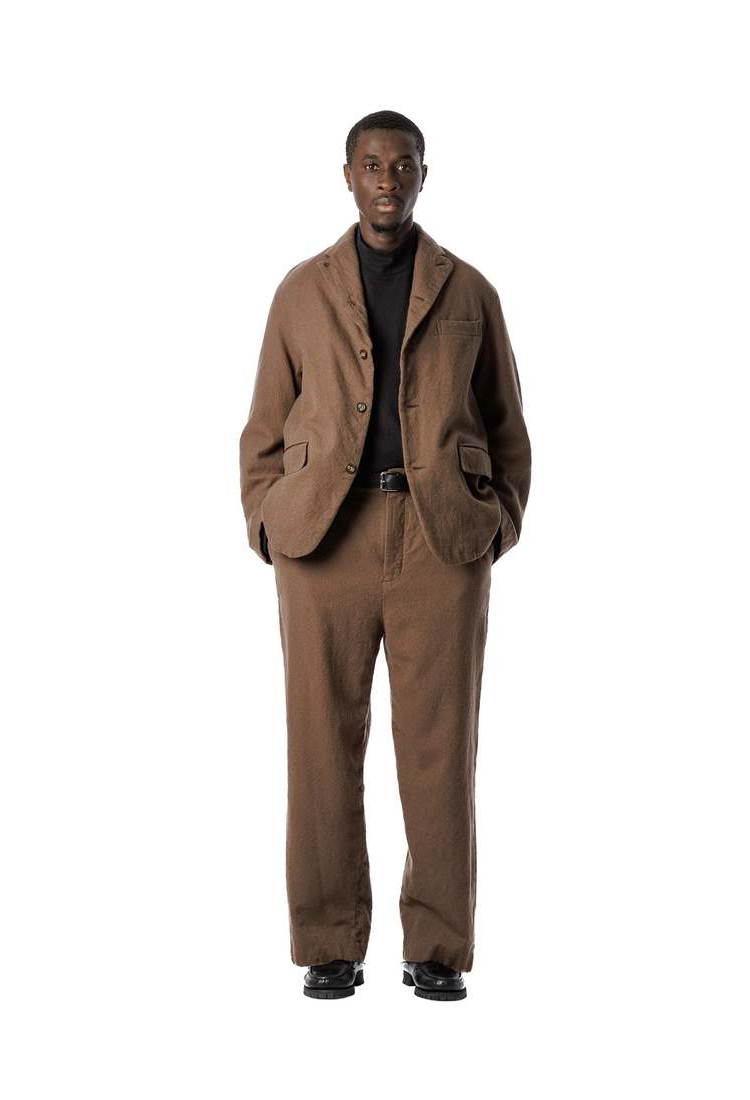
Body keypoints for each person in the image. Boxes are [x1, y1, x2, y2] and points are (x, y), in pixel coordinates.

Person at [239, 110, 532, 1000]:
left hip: (442, 542)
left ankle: (437, 948)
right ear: (347, 176)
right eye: (371, 165)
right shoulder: (300, 292)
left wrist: (498, 521)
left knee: (441, 750)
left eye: (403, 166)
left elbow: (508, 428)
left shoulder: (470, 292)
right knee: (319, 746)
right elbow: (262, 429)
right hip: (321, 543)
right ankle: (328, 943)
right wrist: (266, 520)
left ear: (423, 177)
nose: (387, 181)